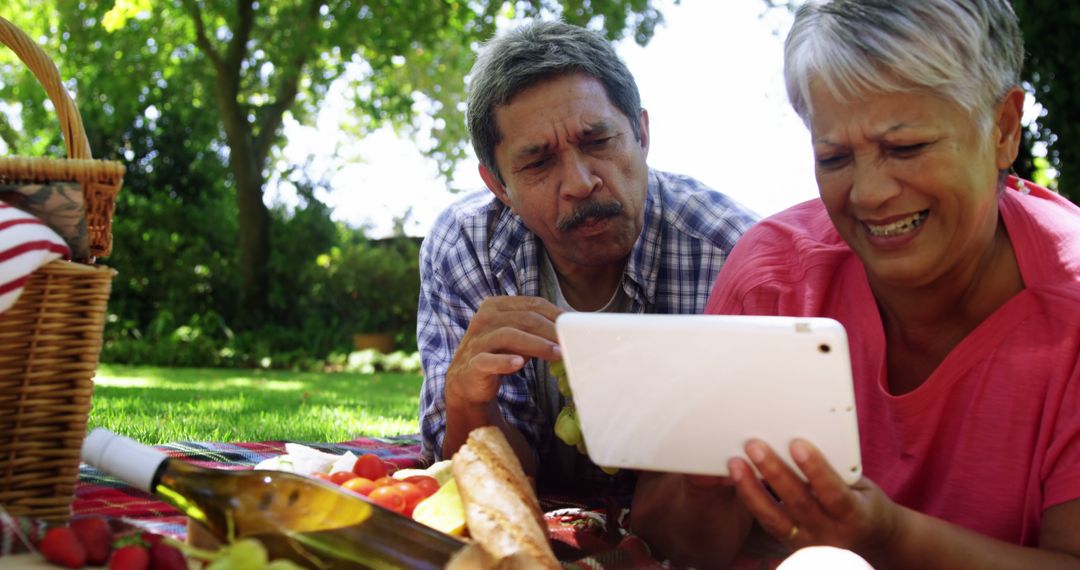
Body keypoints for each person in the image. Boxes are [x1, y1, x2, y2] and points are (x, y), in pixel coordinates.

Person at [631, 0, 1080, 567]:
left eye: (906, 148)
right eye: (835, 156)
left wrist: (890, 537)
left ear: (1004, 128)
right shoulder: (771, 286)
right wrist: (703, 483)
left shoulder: (1071, 312)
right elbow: (672, 540)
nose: (868, 194)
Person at [416, 20, 758, 492]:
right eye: (538, 163)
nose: (580, 183)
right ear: (498, 186)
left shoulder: (732, 251)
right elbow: (479, 479)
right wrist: (467, 399)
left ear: (641, 133)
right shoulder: (466, 247)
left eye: (598, 142)